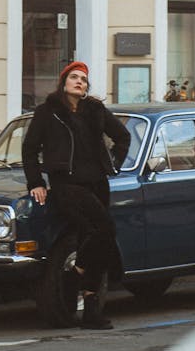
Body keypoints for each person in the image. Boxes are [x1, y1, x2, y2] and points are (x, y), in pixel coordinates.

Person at [22, 61, 130, 329]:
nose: (80, 81)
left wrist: (113, 163)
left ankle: (91, 309)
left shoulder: (95, 109)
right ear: (63, 82)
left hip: (97, 184)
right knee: (104, 228)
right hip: (66, 185)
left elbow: (123, 136)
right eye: (74, 77)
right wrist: (35, 182)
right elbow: (29, 148)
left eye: (83, 78)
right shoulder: (47, 112)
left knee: (97, 240)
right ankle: (76, 274)